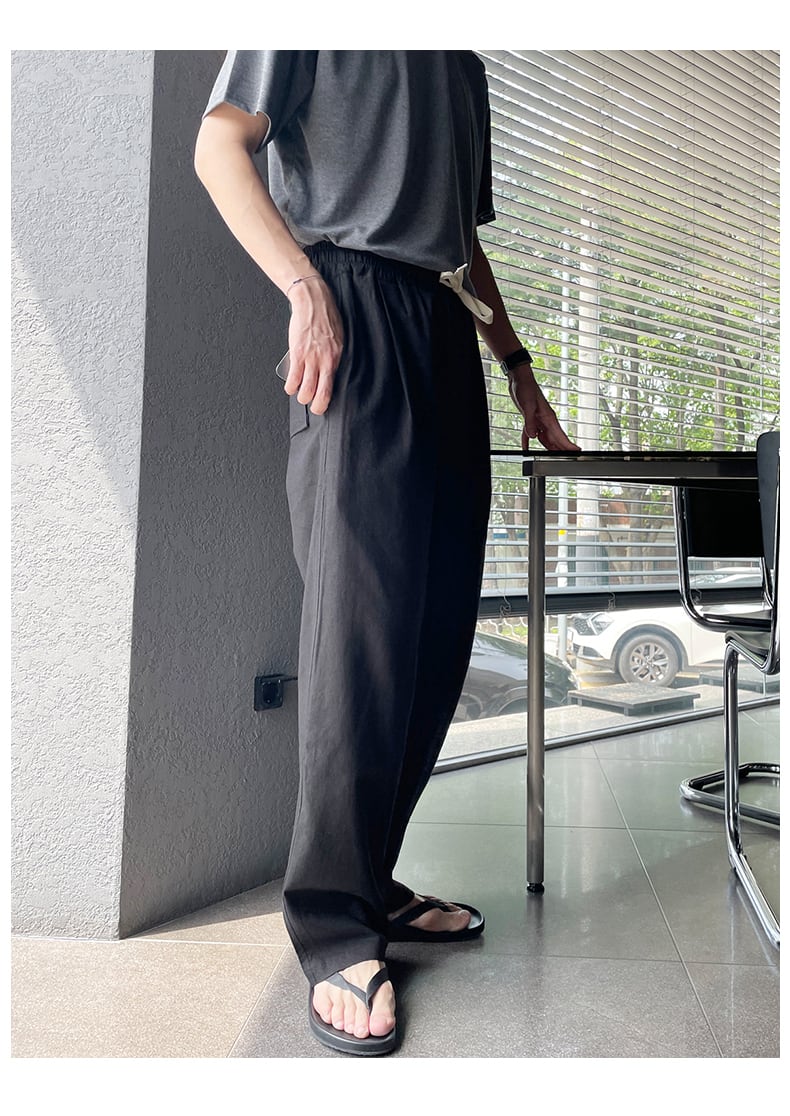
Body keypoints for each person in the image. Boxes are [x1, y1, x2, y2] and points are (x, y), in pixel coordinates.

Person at [194, 50, 580, 1056]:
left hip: (444, 327)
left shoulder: (463, 67)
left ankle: (371, 880)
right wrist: (303, 287)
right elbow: (219, 144)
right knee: (360, 638)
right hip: (352, 307)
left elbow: (461, 246)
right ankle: (333, 924)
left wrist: (518, 369)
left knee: (437, 637)